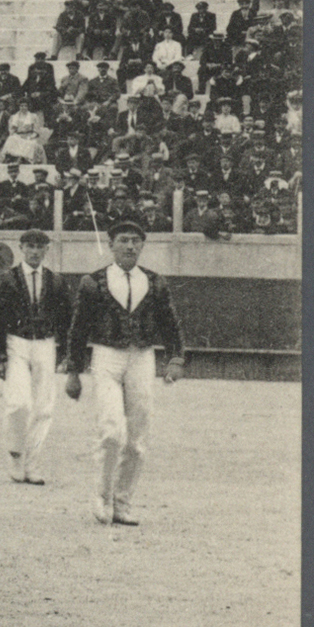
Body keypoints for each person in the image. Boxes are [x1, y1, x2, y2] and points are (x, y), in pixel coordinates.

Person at [64, 220, 186, 526]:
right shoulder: (93, 282)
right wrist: (74, 371)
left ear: (142, 246)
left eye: (135, 241)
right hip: (105, 357)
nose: (130, 246)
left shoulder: (155, 282)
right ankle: (102, 496)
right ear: (111, 244)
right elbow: (78, 329)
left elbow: (170, 323)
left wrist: (175, 358)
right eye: (123, 240)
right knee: (111, 431)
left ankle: (122, 502)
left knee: (137, 438)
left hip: (143, 357)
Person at [0, 229, 73, 486]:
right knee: (19, 402)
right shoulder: (7, 279)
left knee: (44, 406)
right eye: (30, 246)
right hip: (16, 342)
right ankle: (16, 453)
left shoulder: (56, 281)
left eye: (40, 247)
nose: (35, 251)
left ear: (47, 250)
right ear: (21, 248)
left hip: (45, 344)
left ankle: (33, 462)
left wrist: (68, 353)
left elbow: (66, 319)